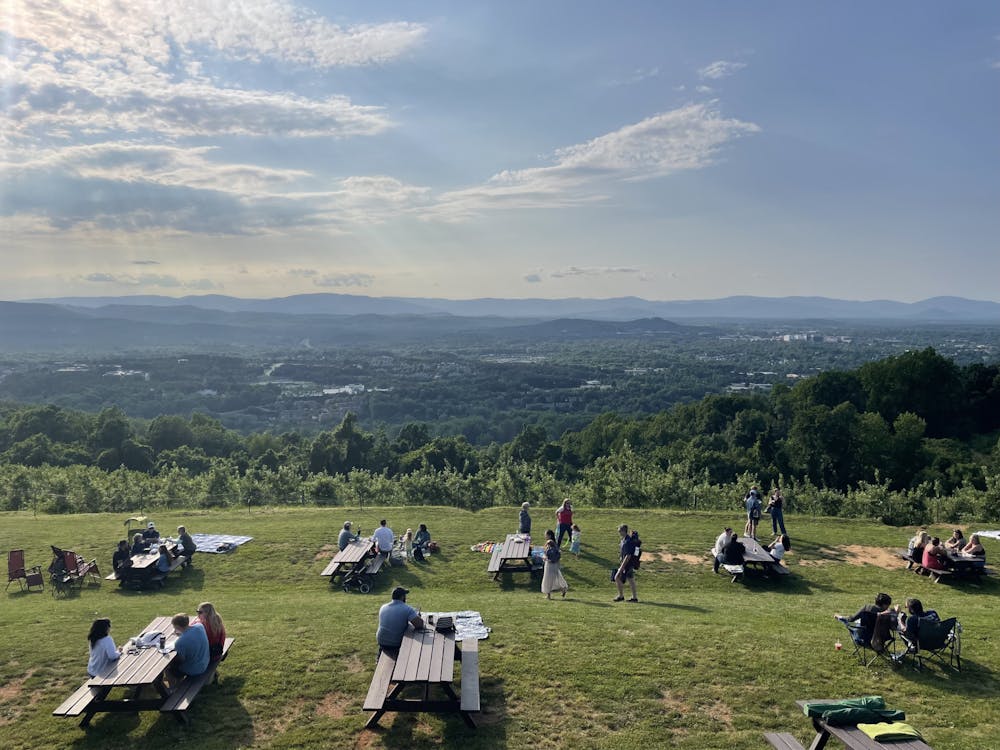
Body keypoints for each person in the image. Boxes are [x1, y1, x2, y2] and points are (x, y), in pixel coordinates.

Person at [376, 587, 423, 656]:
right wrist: (416, 616)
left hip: (381, 641)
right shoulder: (407, 609)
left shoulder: (383, 606)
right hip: (395, 644)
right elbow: (419, 624)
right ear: (402, 597)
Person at [168, 613, 209, 683]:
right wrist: (182, 634)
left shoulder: (179, 643)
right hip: (205, 661)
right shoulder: (199, 626)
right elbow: (191, 635)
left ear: (177, 626)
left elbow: (182, 659)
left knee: (170, 666)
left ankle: (174, 687)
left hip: (194, 669)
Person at [613, 524, 639, 602]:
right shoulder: (624, 540)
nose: (619, 533)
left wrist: (622, 566)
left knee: (617, 577)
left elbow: (628, 555)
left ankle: (621, 596)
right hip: (627, 564)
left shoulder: (627, 541)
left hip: (627, 564)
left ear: (624, 531)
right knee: (631, 579)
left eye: (619, 531)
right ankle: (634, 597)